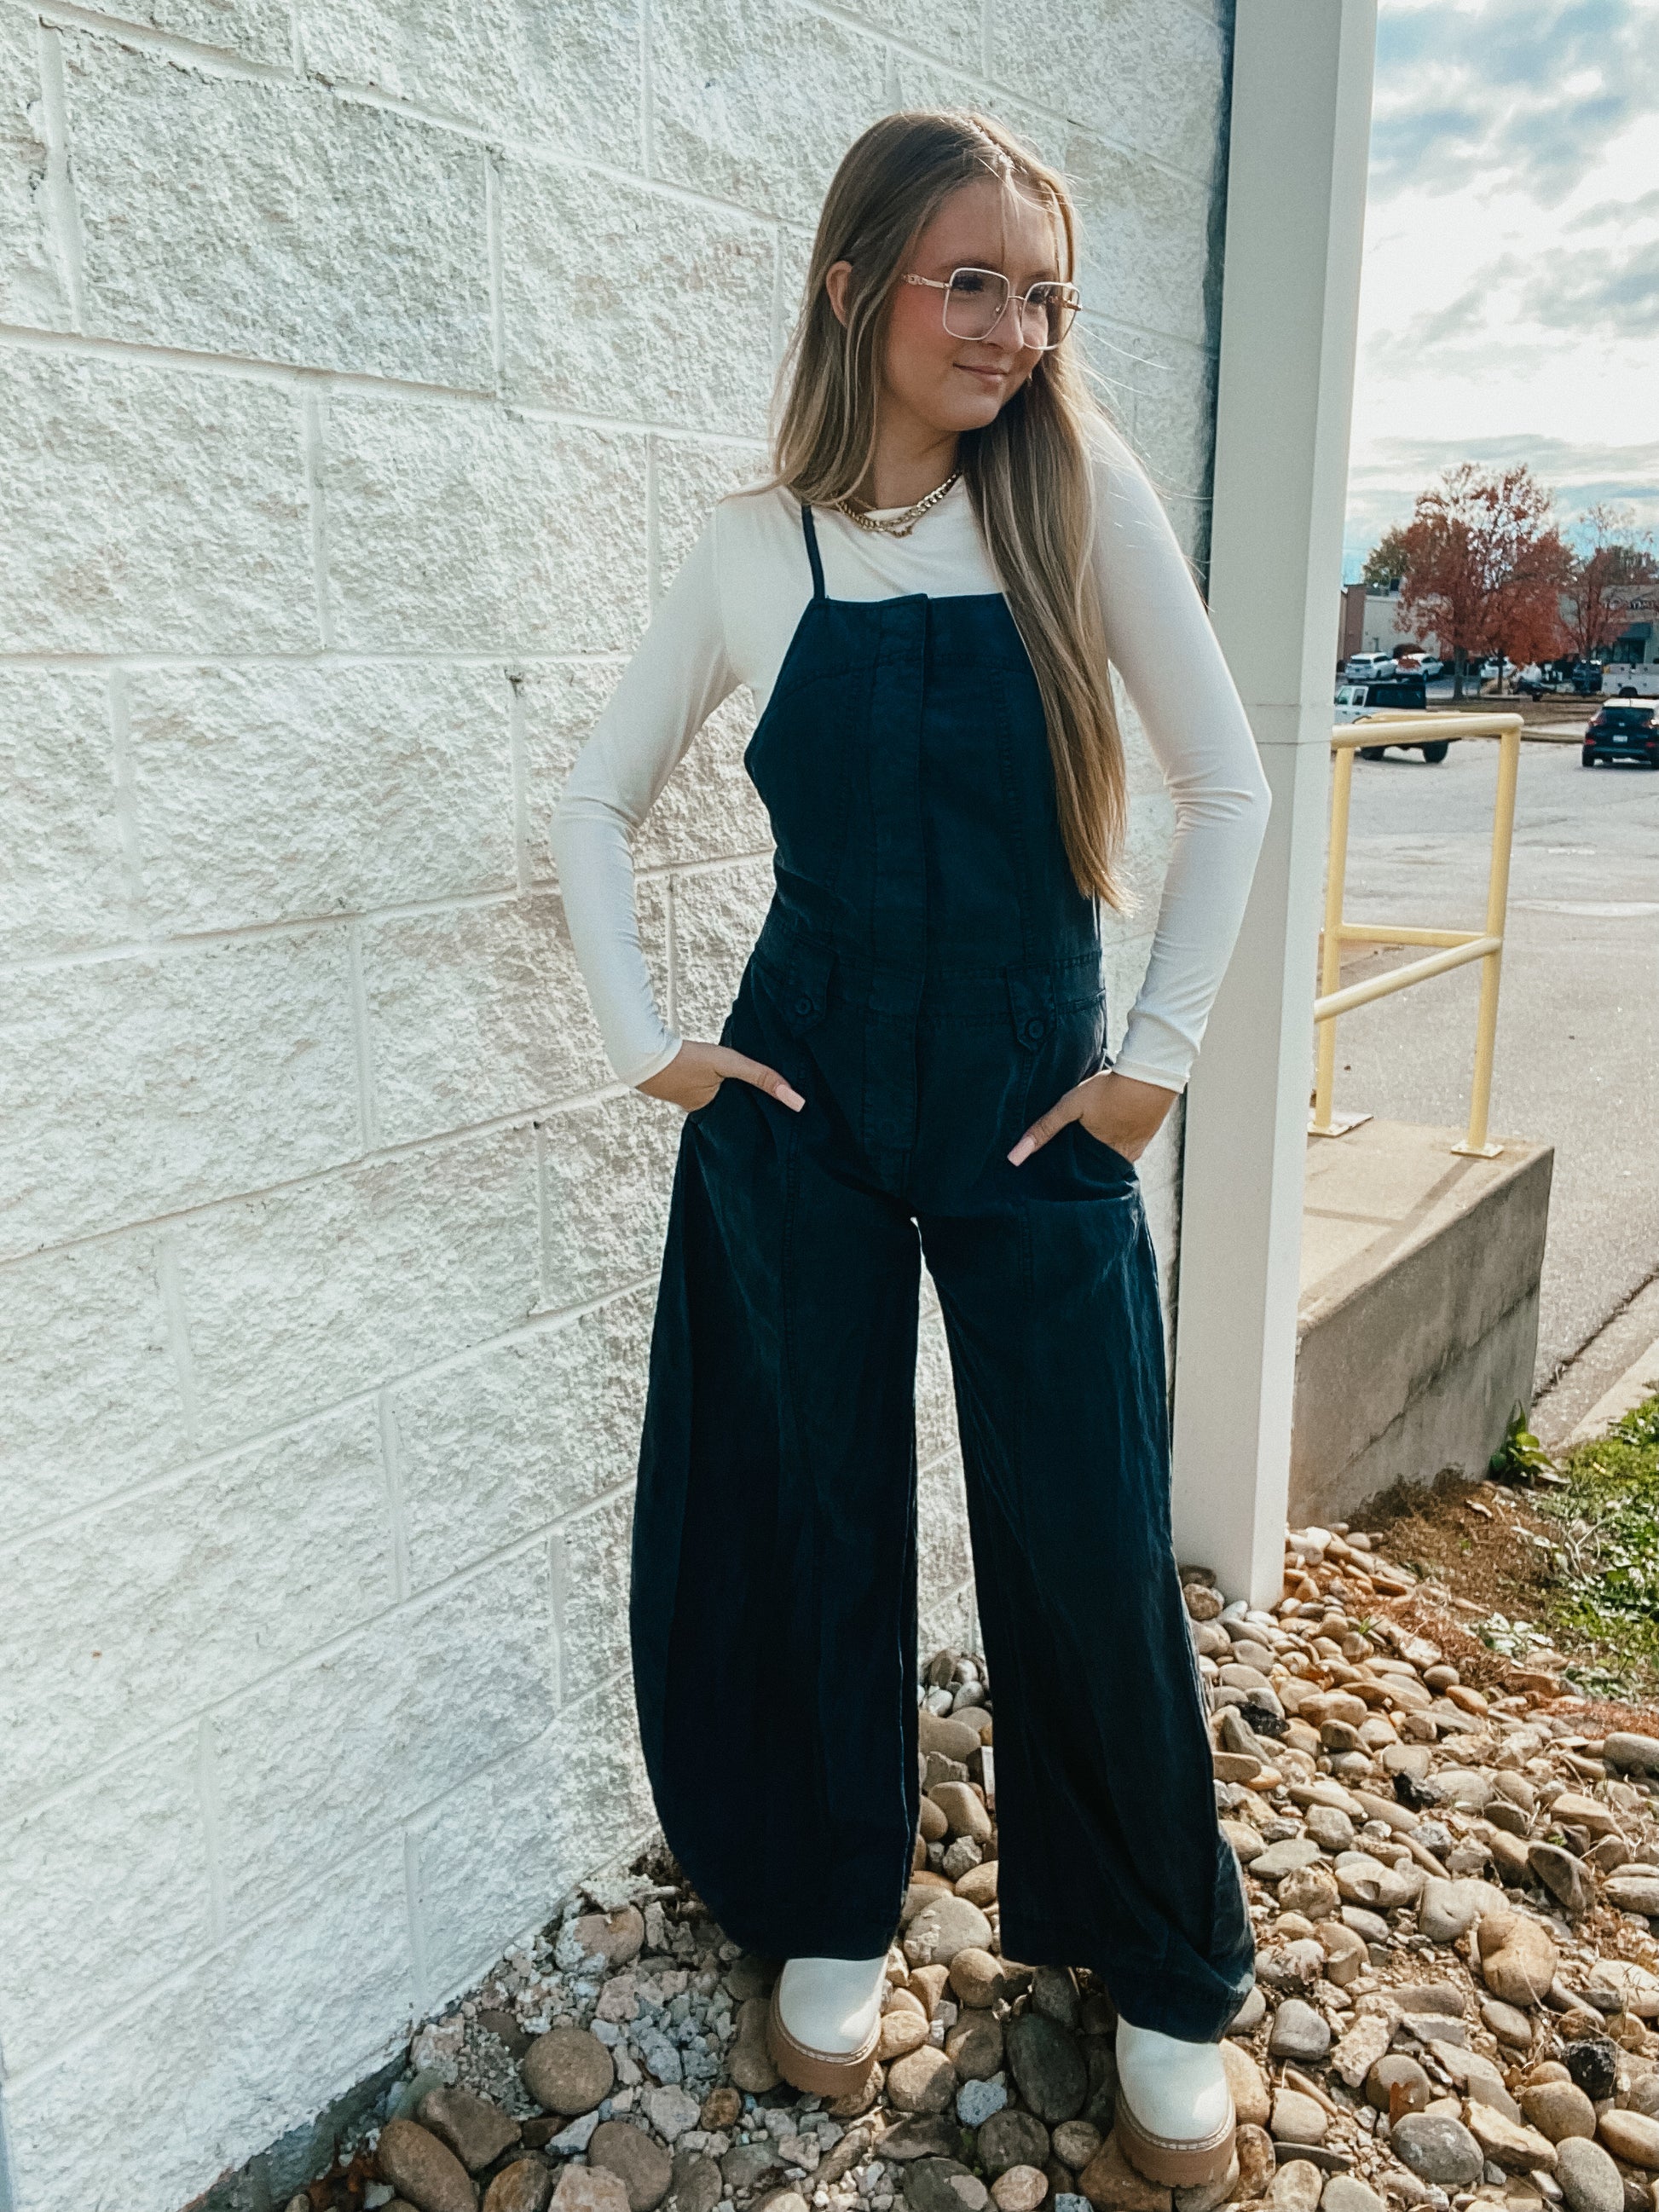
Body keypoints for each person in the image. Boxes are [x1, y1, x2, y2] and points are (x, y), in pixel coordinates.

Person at [552, 110, 1269, 2186]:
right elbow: (594, 800)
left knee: (1086, 1527)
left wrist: (1153, 1062)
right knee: (805, 1505)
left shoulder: (1079, 497)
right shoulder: (753, 548)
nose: (1015, 330)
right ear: (853, 283)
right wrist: (654, 1048)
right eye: (973, 282)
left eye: (1042, 293)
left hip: (1042, 1100)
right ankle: (828, 1892)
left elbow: (1230, 785)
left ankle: (1156, 1959)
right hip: (811, 1101)